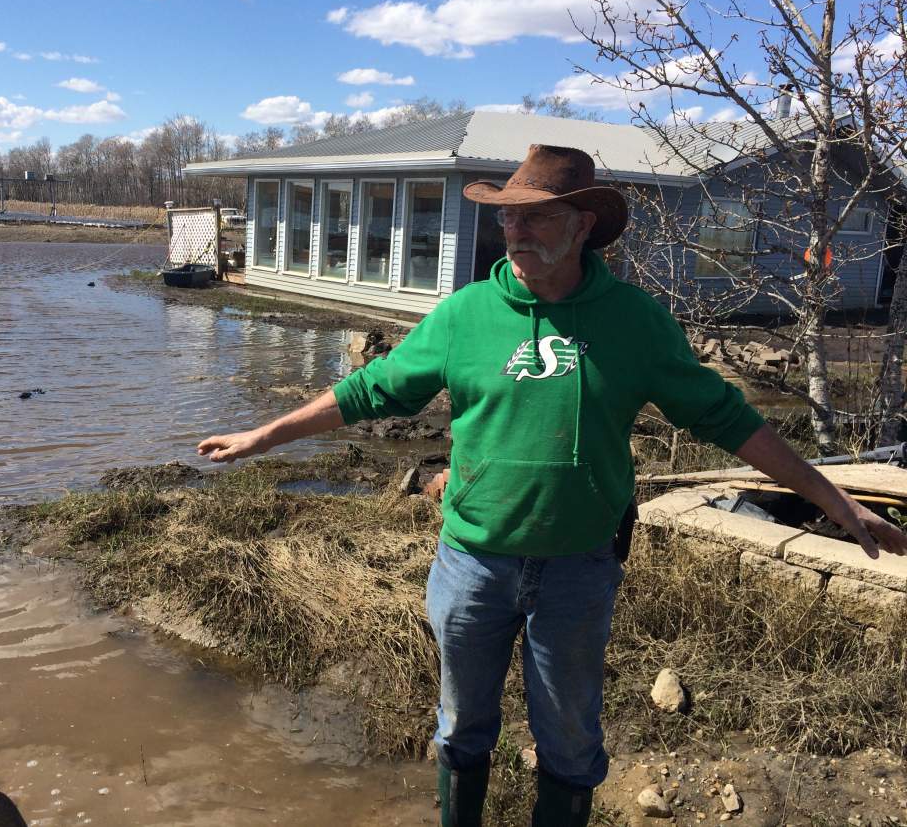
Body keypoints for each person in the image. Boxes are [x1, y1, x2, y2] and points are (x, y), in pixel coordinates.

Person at [197, 144, 907, 827]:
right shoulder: (464, 314)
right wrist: (265, 435)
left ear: (583, 224)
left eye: (535, 216)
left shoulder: (634, 323)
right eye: (507, 216)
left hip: (577, 571)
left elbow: (731, 421)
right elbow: (370, 390)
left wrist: (833, 501)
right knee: (461, 727)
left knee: (569, 742)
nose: (515, 230)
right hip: (471, 565)